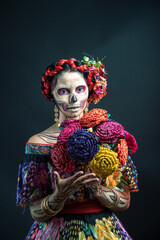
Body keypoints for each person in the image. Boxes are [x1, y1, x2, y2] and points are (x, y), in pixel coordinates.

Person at [16, 57, 138, 240]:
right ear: (52, 95)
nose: (73, 98)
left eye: (80, 89)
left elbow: (124, 201)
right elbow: (35, 211)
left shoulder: (109, 136)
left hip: (102, 231)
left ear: (89, 92)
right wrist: (59, 196)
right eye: (64, 91)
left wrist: (98, 190)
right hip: (53, 232)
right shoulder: (38, 143)